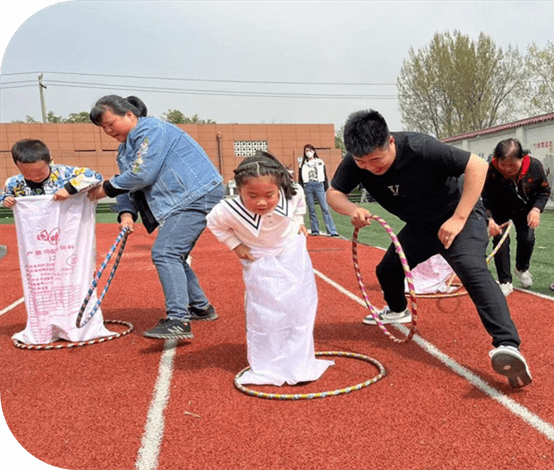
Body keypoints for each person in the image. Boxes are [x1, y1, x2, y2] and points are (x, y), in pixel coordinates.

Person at [326, 109, 532, 389]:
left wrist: (458, 219)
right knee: (387, 270)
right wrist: (352, 209)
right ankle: (398, 310)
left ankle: (508, 345)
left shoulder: (420, 147)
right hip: (421, 225)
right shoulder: (356, 161)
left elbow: (477, 167)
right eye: (363, 162)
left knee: (472, 270)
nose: (371, 167)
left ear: (391, 142)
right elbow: (333, 193)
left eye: (376, 159)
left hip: (460, 217)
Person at [87, 95, 224, 339]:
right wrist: (126, 214)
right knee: (174, 254)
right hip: (181, 200)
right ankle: (201, 307)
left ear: (130, 115)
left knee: (165, 253)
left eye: (111, 123)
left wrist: (105, 189)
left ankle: (178, 321)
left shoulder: (152, 130)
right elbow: (127, 183)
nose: (108, 130)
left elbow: (141, 174)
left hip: (195, 194)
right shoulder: (124, 150)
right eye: (103, 128)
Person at [206, 152, 333, 386]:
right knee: (266, 311)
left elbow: (300, 205)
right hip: (258, 260)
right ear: (239, 190)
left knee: (299, 308)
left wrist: (299, 223)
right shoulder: (227, 210)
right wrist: (235, 245)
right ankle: (268, 361)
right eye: (252, 196)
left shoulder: (292, 192)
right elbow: (214, 224)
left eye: (269, 195)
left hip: (292, 253)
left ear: (279, 189)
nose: (261, 202)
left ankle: (298, 361)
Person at [2, 139, 111, 343]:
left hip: (69, 238)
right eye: (28, 174)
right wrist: (6, 200)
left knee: (72, 276)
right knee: (42, 282)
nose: (34, 178)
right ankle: (45, 325)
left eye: (40, 173)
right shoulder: (14, 183)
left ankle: (74, 322)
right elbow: (5, 195)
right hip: (38, 243)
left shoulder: (65, 173)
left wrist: (69, 189)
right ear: (17, 166)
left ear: (50, 160)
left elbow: (95, 176)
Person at [481, 138, 550, 296]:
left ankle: (521, 268)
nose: (507, 169)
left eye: (513, 165)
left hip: (525, 209)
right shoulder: (491, 169)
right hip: (499, 209)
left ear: (522, 158)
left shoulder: (534, 166)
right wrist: (489, 219)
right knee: (501, 242)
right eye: (503, 164)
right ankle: (505, 281)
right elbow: (485, 196)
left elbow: (544, 191)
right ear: (496, 160)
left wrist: (536, 210)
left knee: (527, 239)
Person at [298, 144, 339, 237]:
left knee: (324, 208)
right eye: (306, 151)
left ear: (314, 151)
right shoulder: (302, 164)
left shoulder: (320, 162)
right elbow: (300, 178)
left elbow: (324, 175)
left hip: (319, 185)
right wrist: (301, 188)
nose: (308, 152)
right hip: (308, 185)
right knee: (311, 209)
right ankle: (315, 230)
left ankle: (332, 230)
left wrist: (326, 188)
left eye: (310, 150)